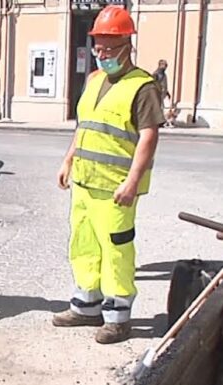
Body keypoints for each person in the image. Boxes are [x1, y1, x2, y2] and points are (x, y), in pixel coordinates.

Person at [53, 5, 164, 344]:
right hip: (85, 182)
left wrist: (132, 181)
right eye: (98, 47)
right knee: (83, 243)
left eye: (108, 48)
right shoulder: (94, 79)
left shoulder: (142, 87)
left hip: (116, 187)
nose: (101, 54)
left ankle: (117, 317)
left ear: (127, 45)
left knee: (117, 250)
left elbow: (148, 136)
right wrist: (68, 160)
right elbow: (84, 125)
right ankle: (86, 306)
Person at [152, 59, 175, 128]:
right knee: (158, 108)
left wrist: (167, 93)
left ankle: (161, 122)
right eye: (164, 65)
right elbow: (154, 84)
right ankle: (157, 122)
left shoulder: (164, 74)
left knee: (161, 108)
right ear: (160, 65)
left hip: (162, 94)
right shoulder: (156, 74)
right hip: (157, 94)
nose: (165, 67)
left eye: (166, 66)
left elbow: (164, 84)